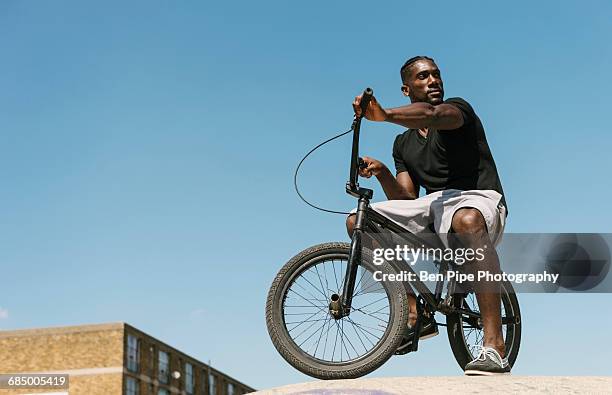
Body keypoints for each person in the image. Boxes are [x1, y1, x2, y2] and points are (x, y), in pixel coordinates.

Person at [346, 56, 510, 375]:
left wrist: (385, 114)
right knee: (358, 221)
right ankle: (412, 312)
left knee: (466, 219)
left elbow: (434, 115)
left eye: (436, 75)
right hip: (434, 206)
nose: (433, 80)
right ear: (407, 88)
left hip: (478, 199)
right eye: (423, 77)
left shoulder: (456, 110)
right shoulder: (403, 143)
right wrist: (381, 173)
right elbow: (407, 198)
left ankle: (495, 348)